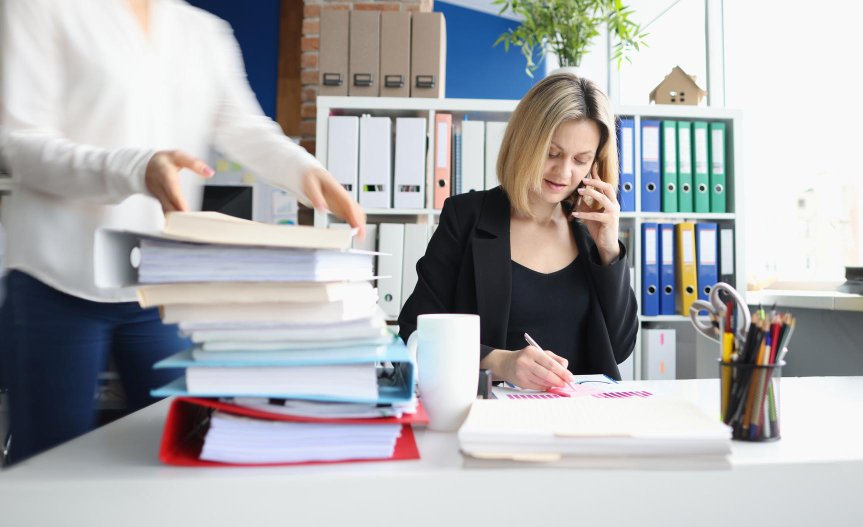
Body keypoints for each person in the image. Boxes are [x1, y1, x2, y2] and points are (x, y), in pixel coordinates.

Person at [0, 0, 365, 463]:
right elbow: (21, 146)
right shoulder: (40, 10)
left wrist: (306, 171)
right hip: (56, 279)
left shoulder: (203, 32)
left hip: (161, 288)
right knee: (47, 469)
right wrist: (137, 168)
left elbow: (244, 126)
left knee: (182, 455)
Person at [398, 73, 638, 389]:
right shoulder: (466, 218)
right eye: (552, 153)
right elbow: (415, 335)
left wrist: (608, 248)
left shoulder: (590, 234)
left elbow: (619, 348)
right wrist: (501, 363)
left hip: (580, 417)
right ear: (525, 142)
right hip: (490, 413)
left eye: (581, 160)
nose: (564, 172)